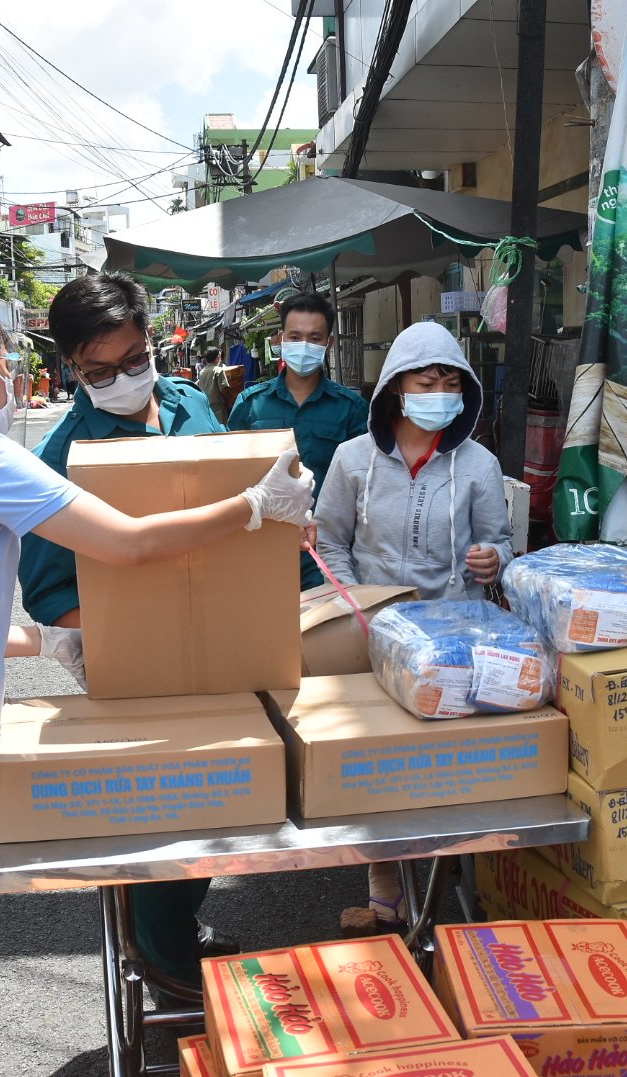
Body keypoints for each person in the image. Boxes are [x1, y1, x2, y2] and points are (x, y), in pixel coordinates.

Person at [0, 295, 313, 1077]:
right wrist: (255, 507)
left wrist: (50, 639)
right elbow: (125, 547)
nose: (16, 380)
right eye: (7, 364)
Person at [16, 271, 243, 996]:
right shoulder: (65, 453)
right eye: (99, 371)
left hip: (219, 634)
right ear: (72, 369)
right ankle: (165, 958)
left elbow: (237, 498)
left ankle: (178, 926)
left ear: (153, 343)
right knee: (167, 807)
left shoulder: (192, 405)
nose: (122, 379)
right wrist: (124, 637)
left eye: (134, 360)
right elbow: (49, 588)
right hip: (129, 658)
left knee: (229, 792)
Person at [312, 320, 512, 926]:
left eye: (451, 382)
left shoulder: (478, 463)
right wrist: (357, 606)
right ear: (397, 388)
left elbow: (498, 542)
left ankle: (458, 884)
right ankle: (384, 891)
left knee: (449, 762)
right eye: (427, 381)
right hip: (376, 634)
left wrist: (492, 559)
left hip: (456, 636)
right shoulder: (352, 460)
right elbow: (330, 543)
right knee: (383, 764)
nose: (439, 392)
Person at [227, 292, 367, 587]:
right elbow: (228, 477)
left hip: (327, 550)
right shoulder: (250, 404)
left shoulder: (351, 408)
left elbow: (365, 484)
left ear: (328, 343)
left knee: (323, 629)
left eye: (314, 338)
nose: (304, 345)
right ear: (281, 339)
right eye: (295, 336)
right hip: (261, 545)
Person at [196, 346, 228, 422]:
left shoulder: (202, 372)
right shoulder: (219, 371)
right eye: (219, 357)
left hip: (206, 409)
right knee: (220, 432)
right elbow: (224, 390)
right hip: (218, 410)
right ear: (217, 358)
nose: (220, 359)